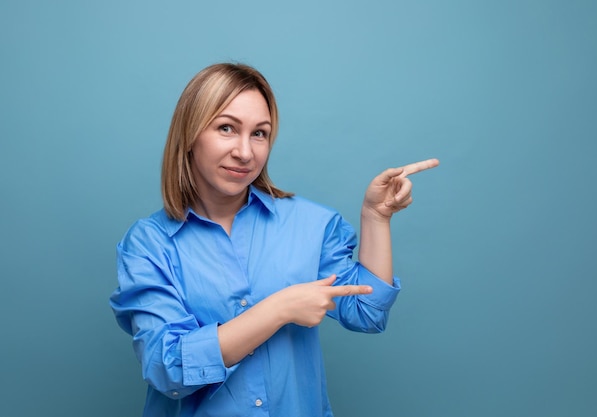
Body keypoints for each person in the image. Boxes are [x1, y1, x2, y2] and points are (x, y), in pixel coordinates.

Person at [110, 62, 438, 417]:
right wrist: (278, 309)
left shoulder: (311, 224)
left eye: (259, 133)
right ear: (189, 134)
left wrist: (376, 218)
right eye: (226, 128)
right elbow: (167, 368)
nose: (245, 152)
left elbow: (367, 314)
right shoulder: (148, 244)